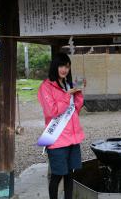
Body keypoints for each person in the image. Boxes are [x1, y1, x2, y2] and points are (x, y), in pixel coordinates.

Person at [37, 53, 85, 199]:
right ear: (55, 66)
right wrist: (66, 95)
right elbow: (52, 111)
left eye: (67, 67)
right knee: (57, 176)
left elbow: (75, 109)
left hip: (73, 138)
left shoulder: (68, 84)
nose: (65, 69)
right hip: (57, 139)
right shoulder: (46, 86)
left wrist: (78, 92)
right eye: (62, 66)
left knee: (70, 175)